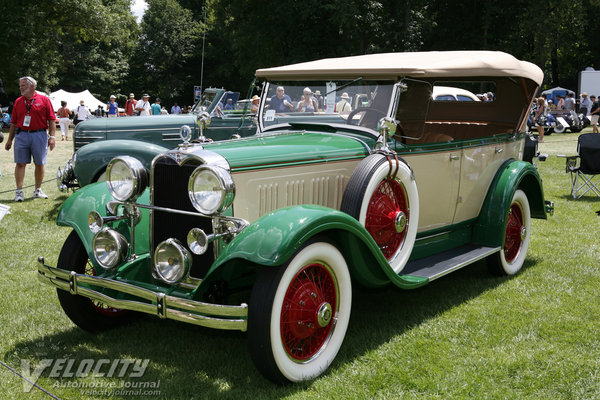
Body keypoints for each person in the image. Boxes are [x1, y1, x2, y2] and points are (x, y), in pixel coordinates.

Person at [3, 76, 56, 201]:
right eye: (20, 86)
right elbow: (13, 122)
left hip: (39, 134)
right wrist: (10, 139)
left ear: (32, 86)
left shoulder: (44, 100)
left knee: (39, 163)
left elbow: (51, 119)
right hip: (21, 135)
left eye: (23, 86)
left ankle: (37, 190)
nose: (20, 88)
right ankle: (19, 192)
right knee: (20, 163)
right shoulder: (18, 101)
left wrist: (52, 137)